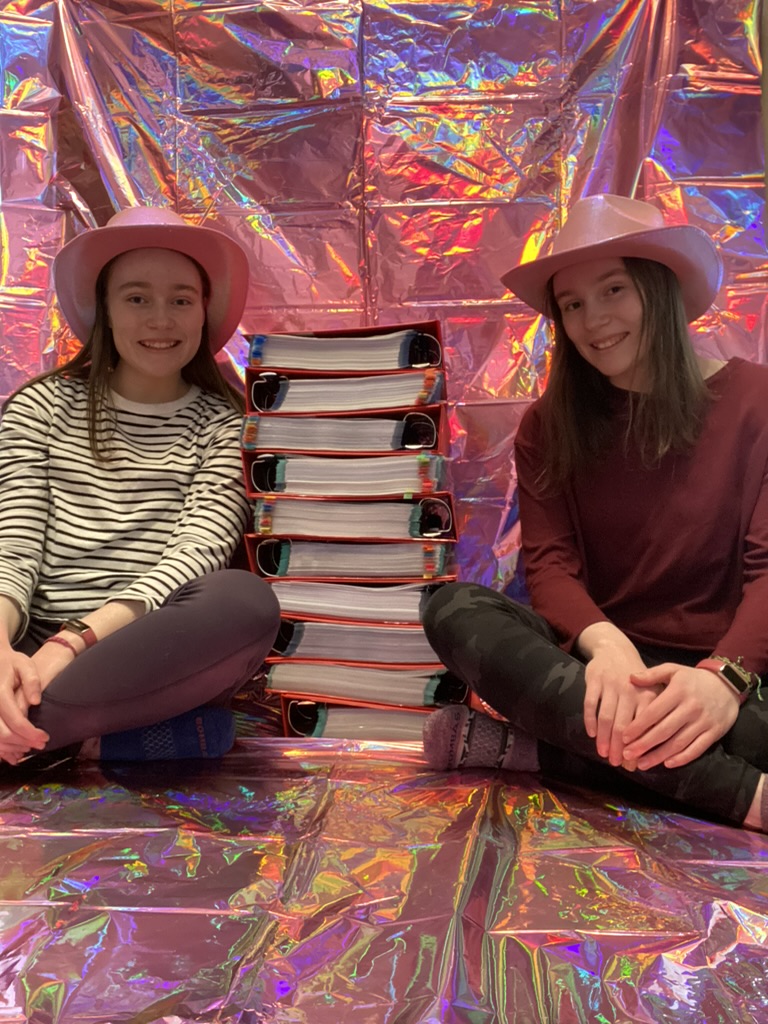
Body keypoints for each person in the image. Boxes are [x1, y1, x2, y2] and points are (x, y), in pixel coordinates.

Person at [421, 193, 768, 833]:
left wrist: (725, 678)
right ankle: (742, 796)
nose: (592, 320)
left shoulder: (756, 401)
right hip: (607, 671)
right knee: (451, 609)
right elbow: (550, 564)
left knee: (748, 729)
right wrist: (606, 647)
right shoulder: (549, 425)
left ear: (659, 292)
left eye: (613, 291)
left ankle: (544, 749)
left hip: (733, 675)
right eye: (572, 304)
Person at [0, 206, 281, 766]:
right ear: (103, 310)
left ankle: (32, 735)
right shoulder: (41, 406)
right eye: (136, 298)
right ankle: (82, 737)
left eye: (181, 299)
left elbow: (194, 554)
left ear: (205, 313)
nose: (161, 318)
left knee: (245, 602)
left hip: (142, 649)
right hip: (29, 644)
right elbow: (15, 544)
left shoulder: (226, 425)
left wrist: (73, 643)